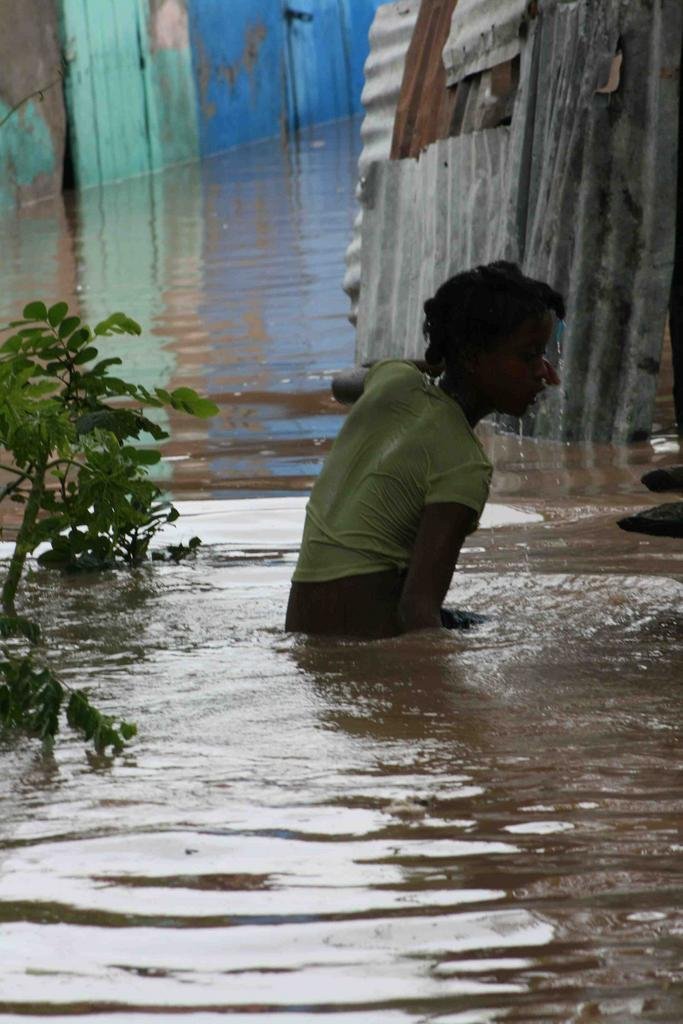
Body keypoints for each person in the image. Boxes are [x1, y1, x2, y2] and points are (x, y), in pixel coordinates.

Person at [285, 261, 565, 639]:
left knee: (484, 625)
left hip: (303, 626)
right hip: (361, 643)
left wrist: (440, 362)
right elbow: (417, 610)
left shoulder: (393, 381)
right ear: (473, 356)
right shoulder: (464, 465)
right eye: (529, 355)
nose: (547, 373)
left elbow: (343, 383)